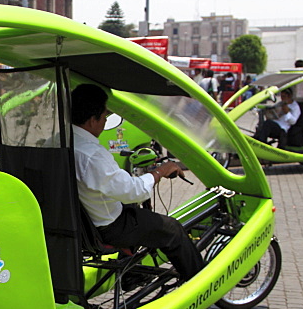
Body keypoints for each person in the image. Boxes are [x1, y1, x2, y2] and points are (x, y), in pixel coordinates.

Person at [71, 83, 205, 281]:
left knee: (138, 213)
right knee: (172, 229)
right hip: (109, 228)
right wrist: (160, 171)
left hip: (81, 225)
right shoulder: (92, 155)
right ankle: (199, 284)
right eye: (104, 119)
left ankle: (132, 274)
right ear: (92, 120)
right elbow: (134, 191)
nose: (103, 125)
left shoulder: (59, 142)